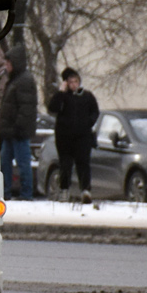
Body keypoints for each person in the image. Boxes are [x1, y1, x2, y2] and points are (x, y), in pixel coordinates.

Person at [48, 67, 100, 203]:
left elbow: (95, 111)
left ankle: (85, 190)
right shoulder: (62, 97)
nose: (73, 84)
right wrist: (60, 92)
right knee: (65, 164)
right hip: (64, 137)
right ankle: (64, 190)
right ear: (66, 83)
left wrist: (88, 122)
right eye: (70, 82)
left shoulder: (87, 96)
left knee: (83, 163)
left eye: (76, 81)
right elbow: (52, 108)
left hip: (83, 136)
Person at [0, 43, 37, 200]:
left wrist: (17, 127)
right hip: (10, 131)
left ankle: (26, 193)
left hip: (17, 132)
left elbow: (25, 109)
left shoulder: (23, 81)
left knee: (22, 163)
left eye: (8, 63)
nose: (6, 66)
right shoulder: (15, 79)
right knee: (5, 161)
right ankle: (5, 192)